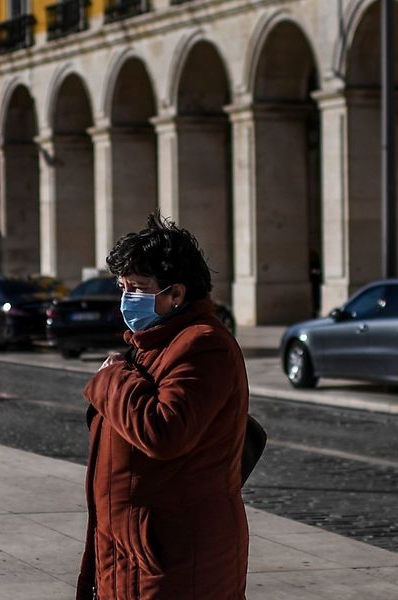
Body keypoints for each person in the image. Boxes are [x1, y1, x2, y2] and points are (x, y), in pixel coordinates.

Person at [77, 214, 249, 600]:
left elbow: (163, 431)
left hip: (174, 556)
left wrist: (112, 377)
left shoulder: (204, 345)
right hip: (130, 551)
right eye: (122, 287)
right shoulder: (152, 345)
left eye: (137, 288)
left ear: (176, 294)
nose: (126, 299)